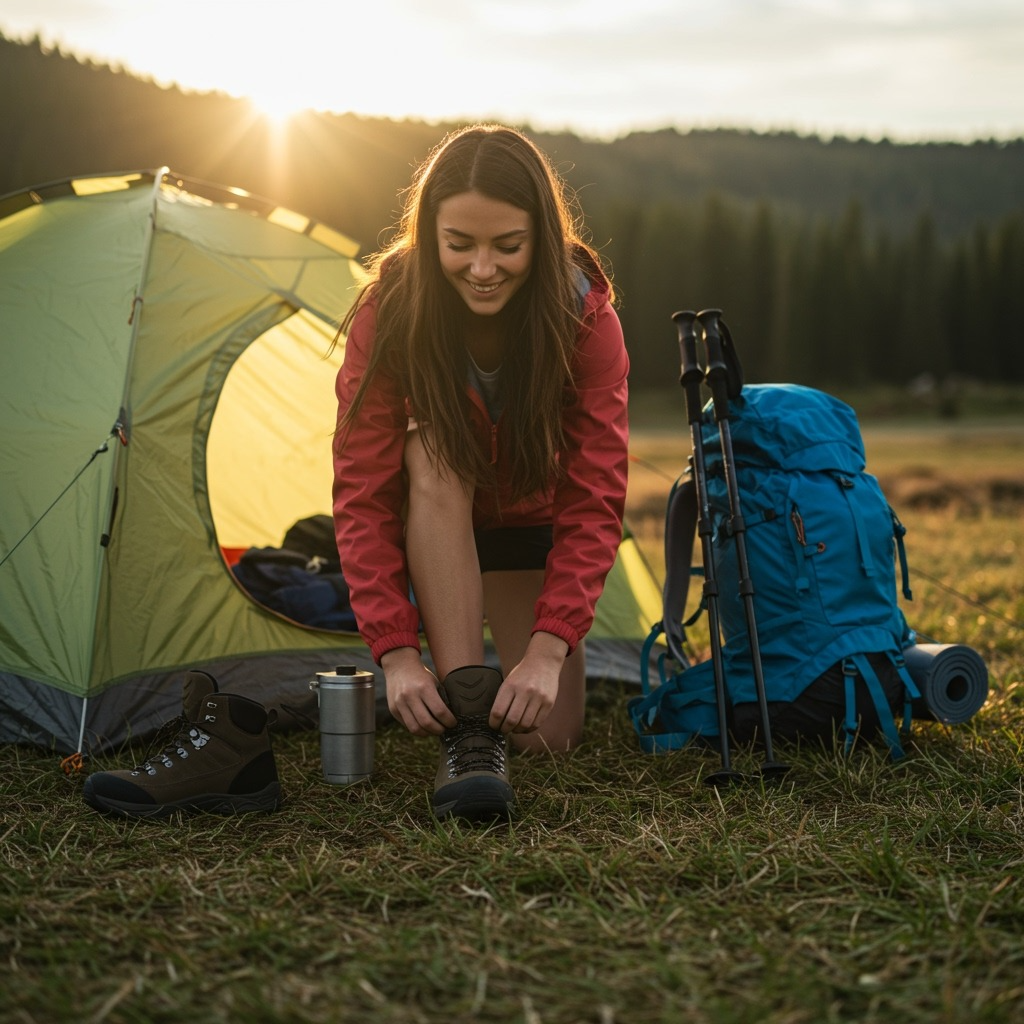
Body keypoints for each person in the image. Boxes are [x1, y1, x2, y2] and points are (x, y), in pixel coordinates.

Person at [332, 124, 629, 822]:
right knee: (433, 446)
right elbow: (363, 491)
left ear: (542, 238)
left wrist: (550, 650)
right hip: (434, 518)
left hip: (526, 525)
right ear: (430, 234)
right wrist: (398, 655)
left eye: (508, 245)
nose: (483, 267)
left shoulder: (586, 317)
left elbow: (595, 497)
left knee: (548, 739)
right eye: (459, 244)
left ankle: (497, 690)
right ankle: (466, 728)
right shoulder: (390, 311)